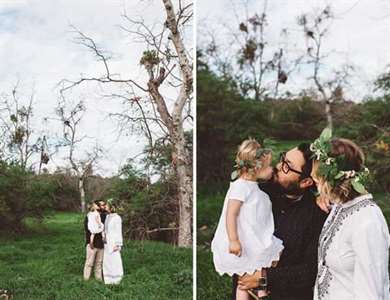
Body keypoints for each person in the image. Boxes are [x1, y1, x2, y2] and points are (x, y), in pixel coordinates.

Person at [235, 143, 327, 300]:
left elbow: (311, 270)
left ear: (306, 182)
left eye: (287, 166)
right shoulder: (258, 193)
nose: (278, 166)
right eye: (282, 159)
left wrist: (265, 278)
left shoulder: (316, 214)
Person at [310, 128, 390, 299]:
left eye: (318, 180)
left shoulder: (367, 221)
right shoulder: (340, 207)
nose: (315, 185)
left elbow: (371, 290)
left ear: (332, 179)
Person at [211, 139, 284, 300]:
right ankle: (253, 294)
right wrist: (233, 239)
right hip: (244, 241)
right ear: (255, 167)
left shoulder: (254, 187)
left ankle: (261, 293)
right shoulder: (240, 186)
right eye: (268, 166)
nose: (272, 169)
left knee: (261, 264)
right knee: (243, 280)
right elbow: (231, 214)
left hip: (254, 237)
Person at [83, 201, 106, 281]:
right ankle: (86, 279)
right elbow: (87, 229)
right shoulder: (89, 216)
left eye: (104, 205)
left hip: (101, 244)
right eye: (101, 205)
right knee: (89, 263)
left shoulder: (104, 216)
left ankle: (99, 279)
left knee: (99, 263)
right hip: (92, 244)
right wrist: (90, 241)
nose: (103, 206)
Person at [103, 200, 124, 285]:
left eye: (107, 205)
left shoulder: (117, 218)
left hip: (114, 242)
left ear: (112, 207)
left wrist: (118, 244)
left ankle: (116, 279)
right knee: (107, 261)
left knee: (115, 260)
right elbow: (106, 229)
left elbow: (118, 231)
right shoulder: (107, 217)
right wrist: (103, 236)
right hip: (106, 242)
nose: (105, 207)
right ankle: (108, 280)